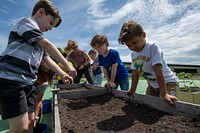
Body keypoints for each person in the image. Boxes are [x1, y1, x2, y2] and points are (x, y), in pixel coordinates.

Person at [0, 0, 77, 133]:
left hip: (27, 83)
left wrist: (63, 73)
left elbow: (48, 61)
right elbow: (48, 45)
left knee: (30, 123)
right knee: (20, 128)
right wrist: (67, 65)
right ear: (41, 12)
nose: (51, 28)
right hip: (11, 80)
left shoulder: (37, 43)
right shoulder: (26, 23)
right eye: (51, 23)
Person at [118, 19, 179, 106]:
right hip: (152, 84)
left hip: (168, 83)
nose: (132, 47)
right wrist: (132, 90)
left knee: (168, 106)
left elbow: (158, 71)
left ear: (143, 35)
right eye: (129, 45)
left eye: (134, 42)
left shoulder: (152, 47)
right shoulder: (133, 55)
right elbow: (135, 73)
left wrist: (164, 93)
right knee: (148, 106)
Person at [34, 60, 55, 127]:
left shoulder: (44, 84)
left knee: (39, 108)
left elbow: (38, 100)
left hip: (36, 97)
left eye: (45, 80)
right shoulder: (29, 80)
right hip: (26, 97)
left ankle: (37, 124)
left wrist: (35, 117)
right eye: (41, 79)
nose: (42, 82)